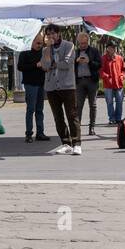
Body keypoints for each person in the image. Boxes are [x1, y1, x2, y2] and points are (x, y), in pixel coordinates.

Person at [41, 24, 81, 155]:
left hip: (67, 86)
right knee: (58, 117)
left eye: (53, 33)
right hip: (51, 87)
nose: (51, 36)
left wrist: (53, 64)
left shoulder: (69, 45)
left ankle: (76, 143)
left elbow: (67, 63)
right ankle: (65, 142)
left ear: (58, 34)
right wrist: (48, 50)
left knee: (72, 115)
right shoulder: (45, 50)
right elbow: (45, 66)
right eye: (48, 34)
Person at [17, 32, 51, 142]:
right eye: (38, 43)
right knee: (31, 109)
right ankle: (28, 134)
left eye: (41, 43)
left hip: (41, 83)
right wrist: (36, 65)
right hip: (30, 83)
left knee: (40, 109)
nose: (40, 45)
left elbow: (48, 64)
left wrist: (47, 65)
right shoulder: (25, 52)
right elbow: (20, 67)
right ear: (31, 42)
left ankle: (40, 133)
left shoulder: (43, 52)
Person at [74, 31, 102, 136]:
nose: (83, 45)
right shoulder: (75, 52)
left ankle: (92, 128)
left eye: (84, 43)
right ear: (78, 43)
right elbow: (70, 67)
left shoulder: (94, 51)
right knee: (78, 106)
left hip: (92, 81)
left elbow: (99, 65)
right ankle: (77, 128)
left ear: (88, 42)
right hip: (79, 81)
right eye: (81, 43)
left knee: (93, 105)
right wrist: (75, 61)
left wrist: (89, 61)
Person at [100, 40, 125, 124]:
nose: (113, 49)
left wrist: (122, 76)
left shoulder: (120, 58)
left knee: (119, 101)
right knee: (109, 102)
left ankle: (118, 118)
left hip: (119, 83)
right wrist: (107, 77)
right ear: (107, 48)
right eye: (111, 47)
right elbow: (100, 71)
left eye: (114, 47)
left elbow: (123, 70)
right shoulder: (103, 58)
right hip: (108, 85)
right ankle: (111, 118)